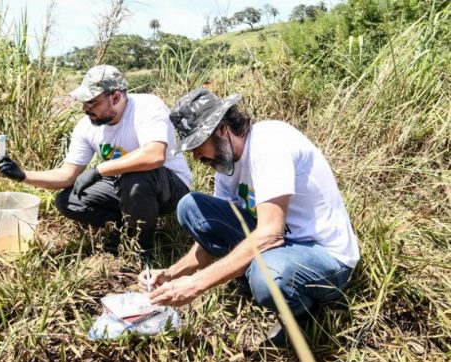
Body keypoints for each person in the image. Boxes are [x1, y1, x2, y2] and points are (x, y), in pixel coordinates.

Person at [138, 87, 360, 345]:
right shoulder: (227, 164)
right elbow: (212, 233)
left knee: (269, 278)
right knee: (191, 207)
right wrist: (172, 274)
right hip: (279, 245)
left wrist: (195, 284)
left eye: (198, 145)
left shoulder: (269, 144)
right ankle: (252, 272)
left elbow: (270, 234)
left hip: (323, 255)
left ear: (222, 129)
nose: (196, 156)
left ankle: (302, 313)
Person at [0, 65, 192, 252]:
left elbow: (154, 155)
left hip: (170, 187)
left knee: (134, 177)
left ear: (115, 97)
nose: (85, 108)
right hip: (125, 186)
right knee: (69, 200)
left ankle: (142, 250)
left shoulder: (147, 106)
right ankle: (126, 228)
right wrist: (23, 175)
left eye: (91, 102)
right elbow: (67, 175)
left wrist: (99, 170)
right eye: (84, 102)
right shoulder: (86, 126)